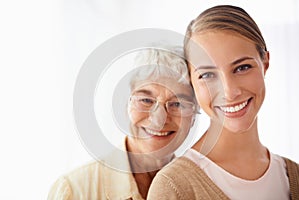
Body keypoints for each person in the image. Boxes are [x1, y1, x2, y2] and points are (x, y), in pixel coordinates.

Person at [147, 5, 299, 200]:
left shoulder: (294, 176)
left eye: (242, 67)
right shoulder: (174, 187)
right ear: (192, 82)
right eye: (208, 75)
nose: (229, 92)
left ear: (265, 63)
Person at [48, 47, 198, 199]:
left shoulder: (200, 191)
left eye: (178, 104)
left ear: (194, 116)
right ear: (126, 105)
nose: (159, 120)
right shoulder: (74, 190)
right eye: (146, 100)